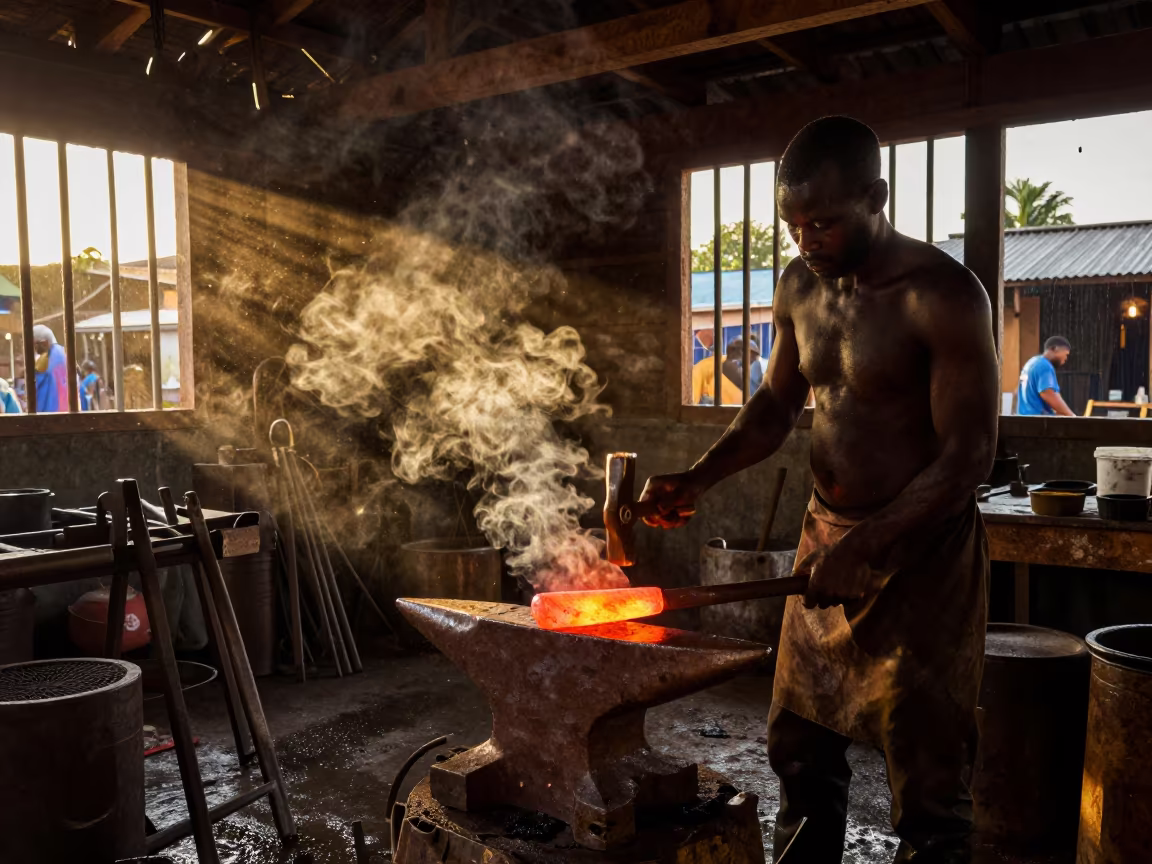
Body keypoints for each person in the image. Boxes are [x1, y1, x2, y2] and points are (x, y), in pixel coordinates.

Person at [640, 116, 998, 863]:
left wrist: (868, 541)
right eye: (792, 223)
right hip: (823, 537)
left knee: (928, 780)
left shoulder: (942, 295)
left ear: (878, 196)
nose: (805, 239)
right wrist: (698, 478)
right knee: (799, 748)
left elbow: (969, 457)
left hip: (921, 557)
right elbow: (774, 406)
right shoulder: (799, 284)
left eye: (824, 222)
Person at [1017, 336, 1075, 416]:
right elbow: (1048, 394)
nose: (1066, 358)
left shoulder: (1032, 362)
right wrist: (1071, 416)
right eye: (1066, 354)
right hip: (1038, 421)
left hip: (1024, 417)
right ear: (1054, 349)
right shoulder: (1044, 365)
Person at [32, 324, 69, 412]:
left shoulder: (45, 357)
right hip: (66, 409)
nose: (35, 348)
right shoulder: (65, 353)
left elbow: (35, 383)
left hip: (48, 410)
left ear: (45, 343)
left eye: (35, 344)